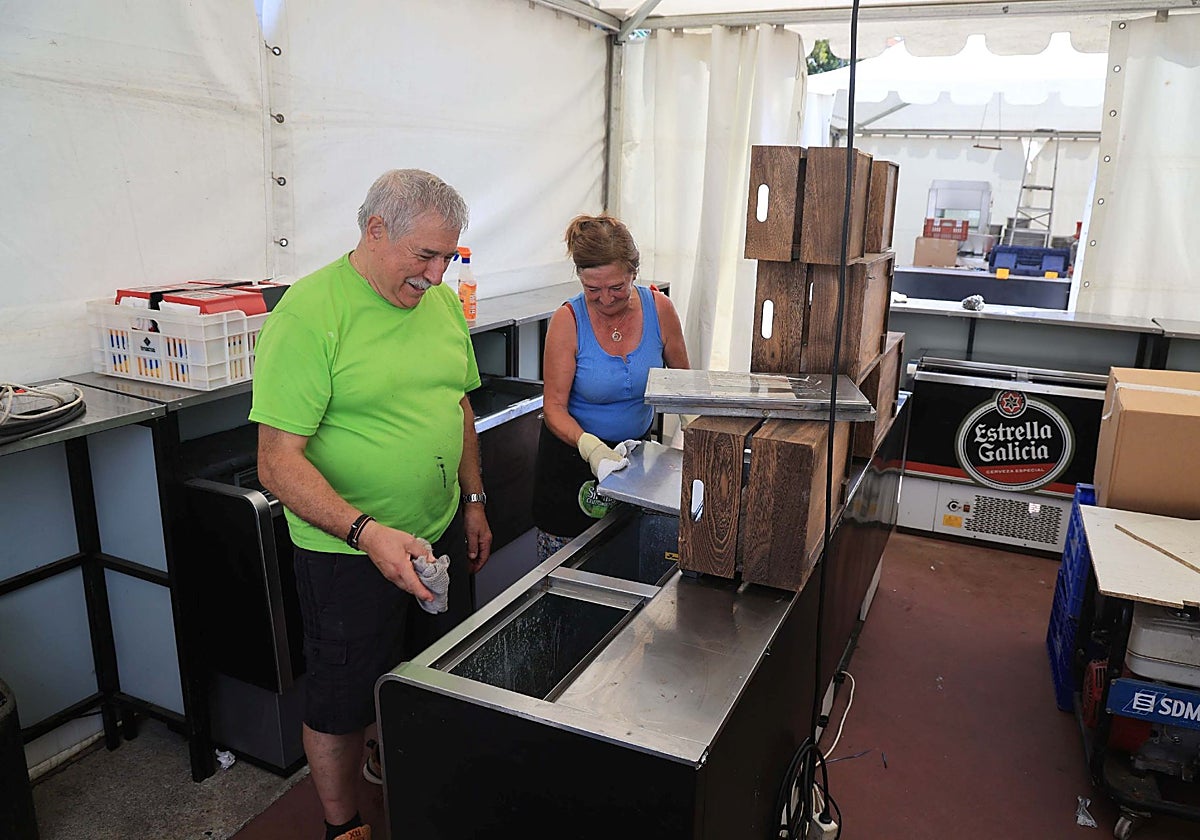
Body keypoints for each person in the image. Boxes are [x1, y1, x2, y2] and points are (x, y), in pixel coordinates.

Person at [249, 169, 492, 840]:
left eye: (449, 256)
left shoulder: (439, 305)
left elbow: (459, 403)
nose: (438, 275)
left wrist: (472, 499)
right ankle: (343, 824)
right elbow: (276, 462)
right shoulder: (309, 314)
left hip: (437, 529)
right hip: (345, 555)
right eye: (425, 256)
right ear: (375, 230)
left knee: (430, 669)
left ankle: (394, 760)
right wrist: (366, 532)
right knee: (340, 698)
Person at [531, 214, 690, 561]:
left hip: (633, 460)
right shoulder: (568, 321)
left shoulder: (660, 310)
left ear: (634, 270)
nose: (604, 299)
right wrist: (591, 448)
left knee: (624, 558)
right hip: (572, 461)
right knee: (570, 572)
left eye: (616, 287)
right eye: (592, 290)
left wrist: (694, 428)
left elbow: (683, 383)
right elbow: (554, 408)